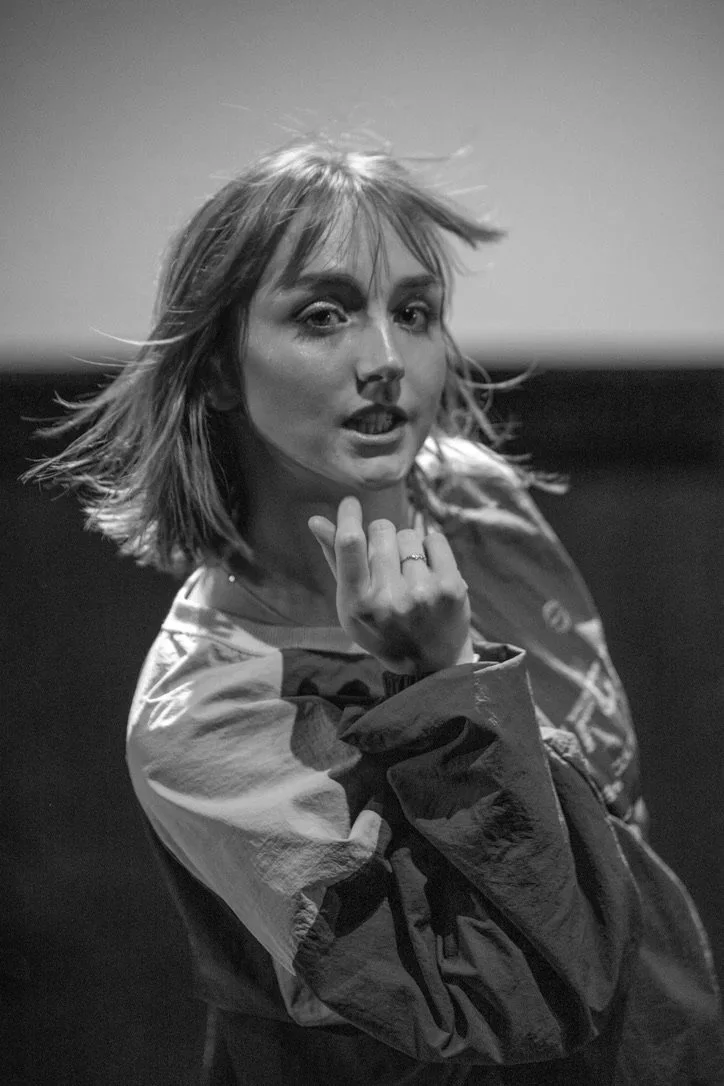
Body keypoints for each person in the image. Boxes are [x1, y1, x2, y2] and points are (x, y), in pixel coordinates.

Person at [24, 135, 724, 1084]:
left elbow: (611, 851)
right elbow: (510, 1005)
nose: (388, 359)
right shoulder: (209, 718)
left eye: (415, 311)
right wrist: (445, 686)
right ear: (221, 366)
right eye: (324, 315)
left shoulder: (474, 498)